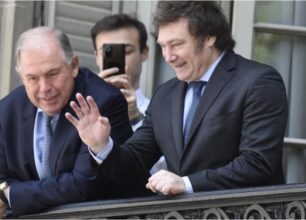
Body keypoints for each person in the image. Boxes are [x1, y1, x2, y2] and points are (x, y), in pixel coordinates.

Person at [66, 1, 288, 196]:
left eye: (177, 45)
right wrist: (101, 145)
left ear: (209, 37)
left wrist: (187, 184)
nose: (168, 57)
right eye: (163, 46)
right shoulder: (166, 95)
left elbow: (258, 163)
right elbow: (134, 162)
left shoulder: (258, 82)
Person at [0, 26, 136, 218]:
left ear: (74, 65)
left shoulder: (103, 101)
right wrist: (7, 194)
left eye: (52, 74)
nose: (44, 88)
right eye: (32, 78)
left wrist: (13, 194)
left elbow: (83, 185)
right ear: (21, 76)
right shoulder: (8, 110)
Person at [91, 14, 166, 174]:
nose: (120, 60)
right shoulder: (79, 106)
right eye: (109, 51)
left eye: (127, 51)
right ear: (97, 56)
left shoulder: (162, 112)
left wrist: (135, 117)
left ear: (144, 53)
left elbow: (162, 171)